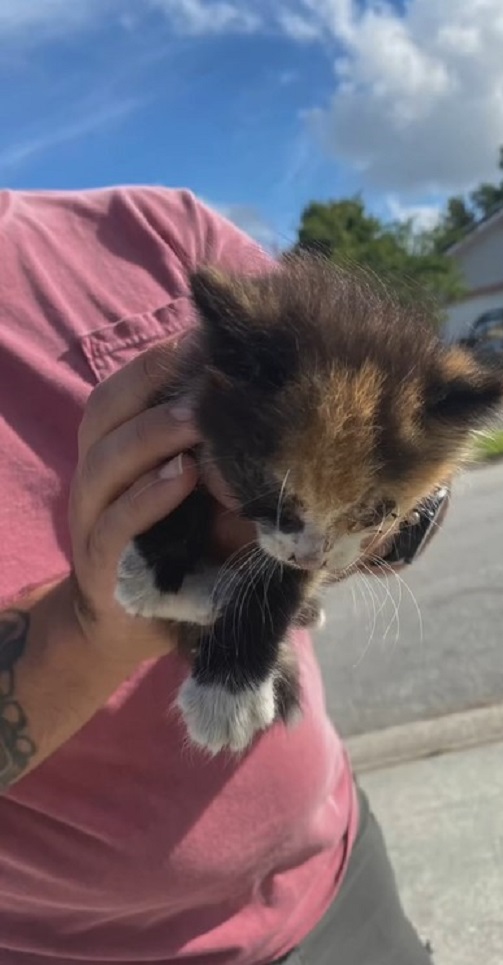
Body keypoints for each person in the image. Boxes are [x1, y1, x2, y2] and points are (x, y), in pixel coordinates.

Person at [0, 185, 444, 964]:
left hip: (334, 875)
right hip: (96, 950)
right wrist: (88, 630)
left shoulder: (153, 228)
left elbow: (407, 433)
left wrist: (384, 519)